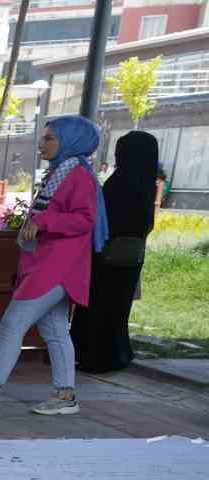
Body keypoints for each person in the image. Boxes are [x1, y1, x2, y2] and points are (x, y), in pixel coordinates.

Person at [0, 115, 105, 417]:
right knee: (54, 330)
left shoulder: (77, 176)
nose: (42, 144)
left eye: (50, 138)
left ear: (72, 141)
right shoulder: (63, 172)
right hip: (50, 264)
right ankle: (65, 396)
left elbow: (84, 219)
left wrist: (43, 221)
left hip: (55, 267)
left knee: (13, 324)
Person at [73, 130, 158, 374]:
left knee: (99, 305)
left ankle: (95, 355)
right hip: (131, 255)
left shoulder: (121, 182)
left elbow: (106, 218)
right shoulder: (146, 183)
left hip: (107, 255)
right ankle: (116, 353)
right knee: (118, 308)